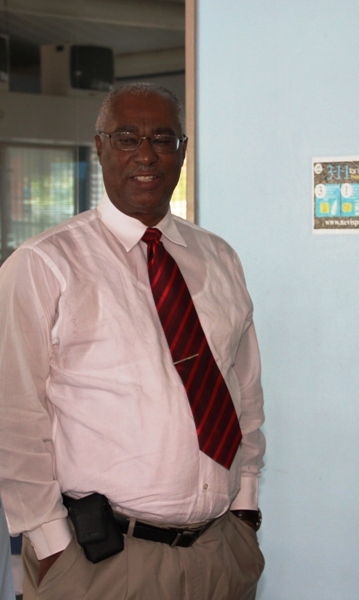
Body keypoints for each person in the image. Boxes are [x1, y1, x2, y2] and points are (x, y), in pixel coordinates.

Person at [0, 83, 265, 599]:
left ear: (183, 151)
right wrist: (50, 542)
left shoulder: (219, 258)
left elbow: (244, 391)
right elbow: (12, 414)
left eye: (163, 139)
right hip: (102, 561)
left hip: (220, 554)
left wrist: (246, 504)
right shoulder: (43, 264)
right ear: (98, 147)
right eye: (127, 138)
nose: (147, 154)